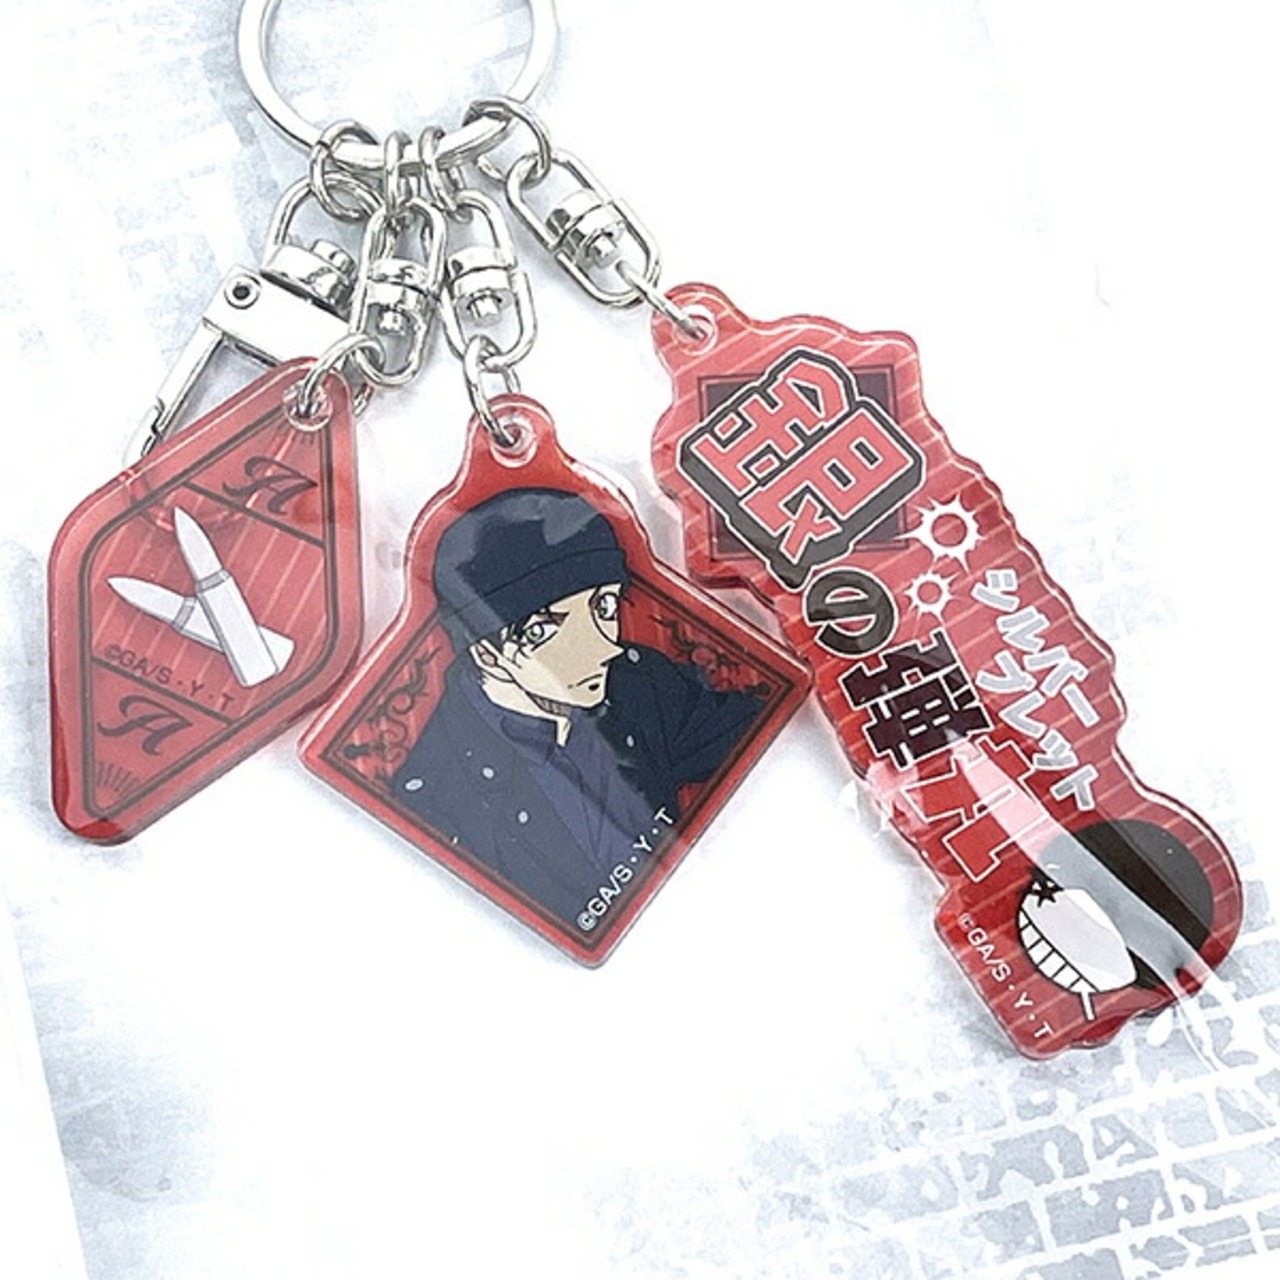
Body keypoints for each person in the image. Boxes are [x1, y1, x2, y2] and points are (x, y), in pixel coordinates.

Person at [390, 487, 763, 931]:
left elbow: (764, 733)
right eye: (547, 627)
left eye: (603, 606)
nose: (603, 647)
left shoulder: (640, 684)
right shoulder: (435, 794)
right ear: (486, 653)